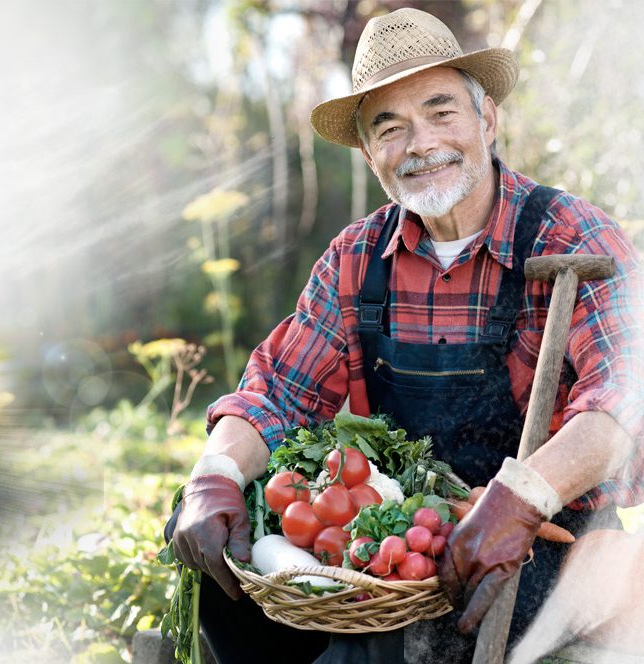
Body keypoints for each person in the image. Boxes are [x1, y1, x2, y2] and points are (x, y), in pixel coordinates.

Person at [168, 7, 643, 664]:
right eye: (390, 127)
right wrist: (214, 474)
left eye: (441, 111)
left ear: (488, 120)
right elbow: (277, 391)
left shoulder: (571, 239)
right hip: (407, 540)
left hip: (546, 539)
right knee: (211, 537)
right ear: (369, 153)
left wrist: (522, 496)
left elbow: (621, 397)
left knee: (422, 636)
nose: (420, 143)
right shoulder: (357, 257)